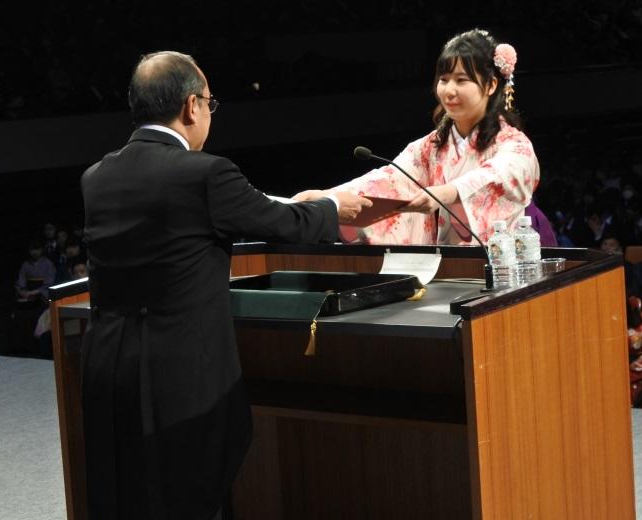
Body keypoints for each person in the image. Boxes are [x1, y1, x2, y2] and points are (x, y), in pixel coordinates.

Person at [79, 51, 370, 520]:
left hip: (108, 367)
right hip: (179, 376)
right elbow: (278, 222)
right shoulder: (204, 173)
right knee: (189, 496)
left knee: (126, 495)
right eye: (210, 104)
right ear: (192, 106)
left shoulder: (96, 177)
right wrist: (333, 208)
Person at [294, 29, 540, 245]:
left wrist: (449, 192)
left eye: (461, 80)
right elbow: (388, 180)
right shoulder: (430, 146)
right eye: (444, 80)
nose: (449, 90)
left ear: (491, 85)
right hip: (446, 270)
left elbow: (500, 174)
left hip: (500, 270)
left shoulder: (514, 144)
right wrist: (328, 197)